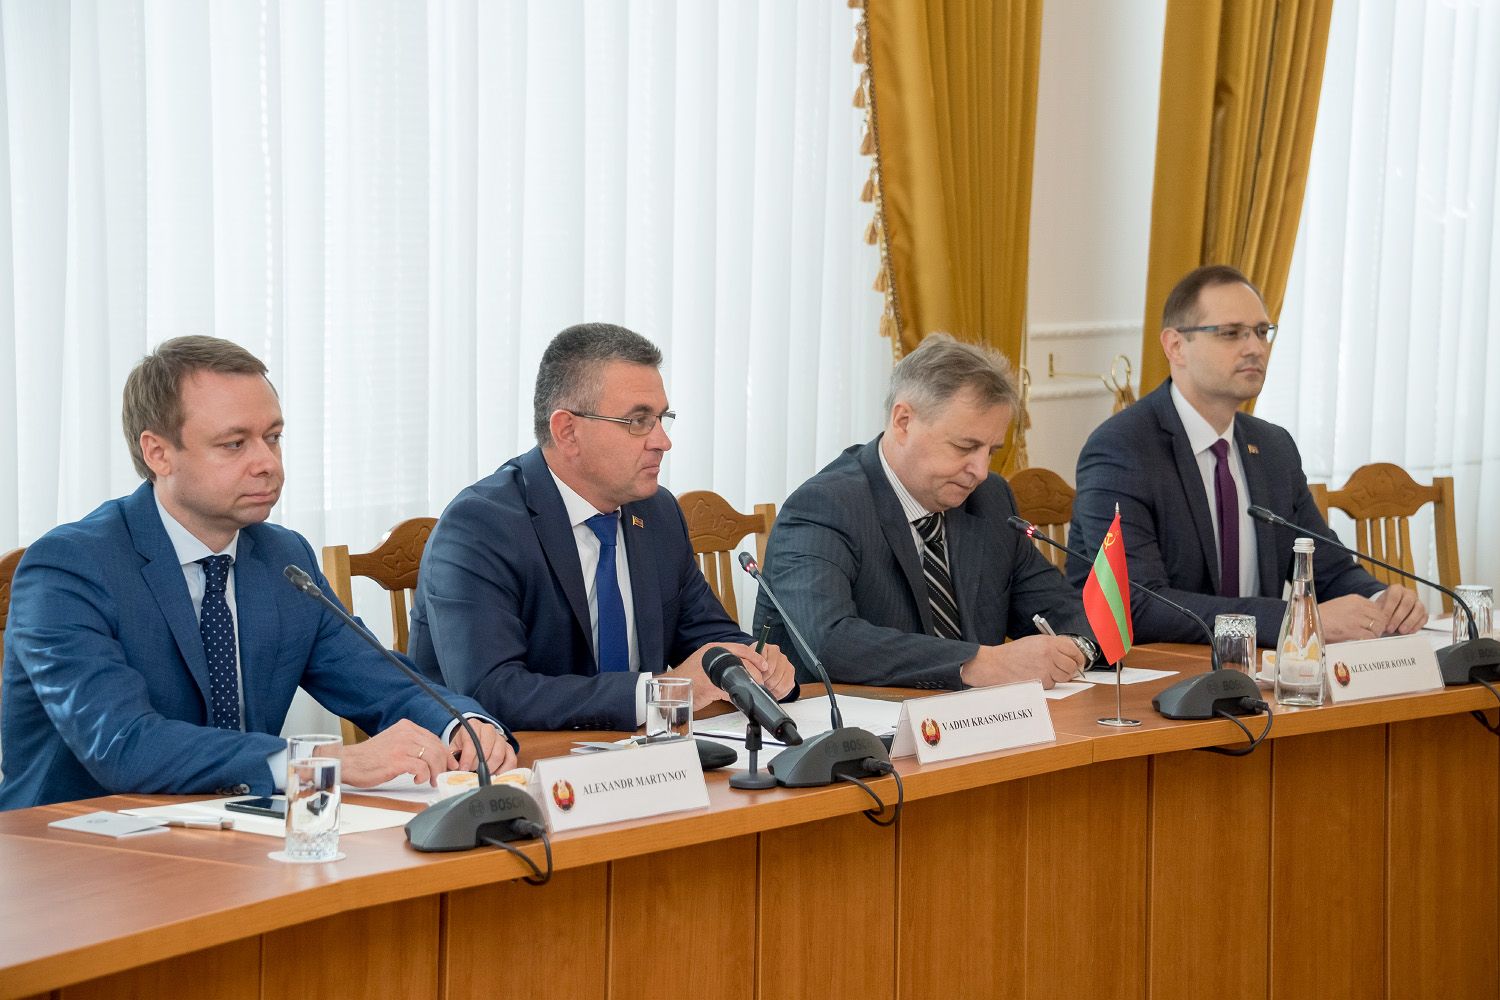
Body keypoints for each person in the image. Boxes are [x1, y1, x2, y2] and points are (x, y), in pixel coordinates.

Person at [0, 337, 514, 811]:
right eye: (234, 444)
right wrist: (323, 762)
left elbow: (382, 682)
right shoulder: (68, 568)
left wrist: (460, 726)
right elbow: (123, 744)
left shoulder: (281, 556)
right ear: (158, 453)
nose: (267, 463)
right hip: (79, 843)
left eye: (273, 437)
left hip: (236, 831)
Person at [409, 323, 795, 731]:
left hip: (641, 757)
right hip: (516, 761)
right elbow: (492, 691)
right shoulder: (479, 527)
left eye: (662, 418)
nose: (662, 441)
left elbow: (706, 636)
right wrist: (660, 693)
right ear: (567, 431)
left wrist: (756, 661)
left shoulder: (657, 512)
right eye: (638, 421)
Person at [1067, 264, 1427, 646]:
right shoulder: (1122, 449)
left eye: (1261, 331)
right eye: (1231, 333)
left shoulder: (1273, 448)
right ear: (1175, 346)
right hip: (1157, 670)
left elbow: (1328, 570)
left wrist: (1382, 600)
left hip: (1260, 671)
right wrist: (1296, 620)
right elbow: (1137, 604)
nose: (1255, 348)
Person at [751, 333, 1100, 691]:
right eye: (965, 446)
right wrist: (981, 664)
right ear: (903, 421)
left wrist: (1077, 648)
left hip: (980, 719)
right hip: (850, 722)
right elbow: (831, 642)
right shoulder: (824, 507)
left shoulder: (990, 500)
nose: (981, 471)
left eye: (991, 451)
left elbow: (1066, 611)